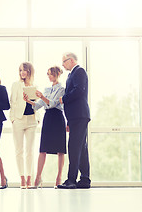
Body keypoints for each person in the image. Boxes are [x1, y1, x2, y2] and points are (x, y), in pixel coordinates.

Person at [24, 66, 66, 189]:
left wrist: (42, 97)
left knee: (60, 150)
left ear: (58, 74)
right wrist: (29, 101)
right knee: (43, 149)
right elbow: (38, 106)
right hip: (48, 118)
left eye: (51, 74)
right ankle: (37, 179)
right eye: (48, 74)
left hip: (57, 118)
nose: (49, 76)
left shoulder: (62, 89)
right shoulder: (47, 89)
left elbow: (52, 103)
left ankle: (58, 178)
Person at [58, 52, 91, 189]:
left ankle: (71, 180)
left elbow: (79, 90)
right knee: (81, 148)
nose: (63, 65)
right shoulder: (72, 74)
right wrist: (68, 120)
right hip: (74, 117)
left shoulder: (79, 71)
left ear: (71, 60)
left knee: (74, 147)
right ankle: (84, 180)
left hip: (80, 115)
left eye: (64, 62)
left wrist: (64, 99)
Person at [10, 62, 39, 189]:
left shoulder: (35, 86)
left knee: (30, 151)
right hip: (19, 120)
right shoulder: (16, 85)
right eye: (20, 70)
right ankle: (21, 178)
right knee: (19, 150)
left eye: (25, 70)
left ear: (29, 72)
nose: (22, 72)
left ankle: (29, 178)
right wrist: (12, 119)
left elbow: (37, 104)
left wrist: (38, 118)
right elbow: (12, 102)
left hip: (32, 120)